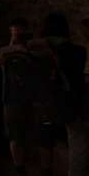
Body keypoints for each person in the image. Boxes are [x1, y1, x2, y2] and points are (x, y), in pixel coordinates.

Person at [28, 12, 87, 176]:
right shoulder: (77, 51)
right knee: (77, 144)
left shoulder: (39, 53)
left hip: (50, 104)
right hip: (69, 104)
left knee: (65, 142)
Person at [0, 17, 35, 174]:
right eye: (14, 29)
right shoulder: (3, 46)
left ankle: (30, 163)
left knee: (29, 132)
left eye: (20, 29)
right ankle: (19, 167)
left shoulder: (31, 45)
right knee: (14, 134)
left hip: (30, 96)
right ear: (10, 30)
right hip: (11, 97)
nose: (17, 32)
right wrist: (12, 49)